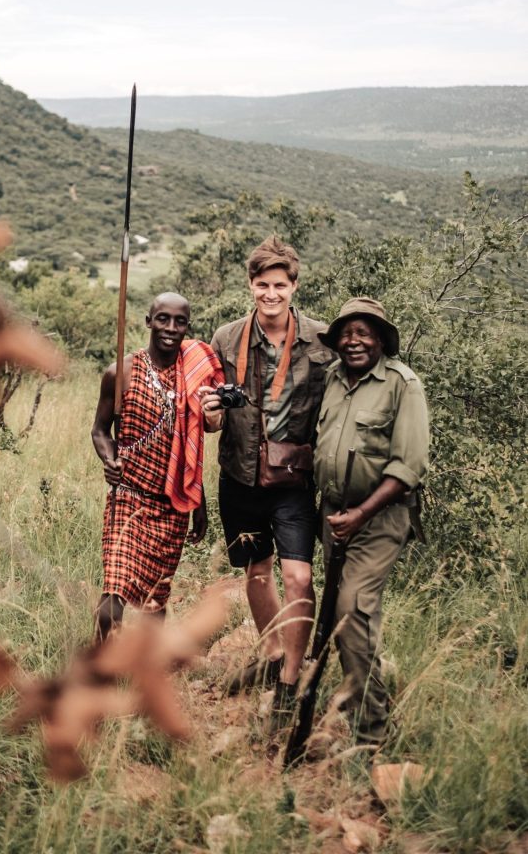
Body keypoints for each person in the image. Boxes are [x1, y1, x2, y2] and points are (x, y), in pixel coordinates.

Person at [199, 236, 333, 728]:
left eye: (279, 285)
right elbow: (209, 416)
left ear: (294, 286)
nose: (270, 294)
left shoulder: (322, 340)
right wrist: (210, 414)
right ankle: (273, 654)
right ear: (250, 285)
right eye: (262, 285)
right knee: (256, 573)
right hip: (239, 475)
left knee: (299, 577)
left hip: (294, 481)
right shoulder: (226, 338)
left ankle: (289, 683)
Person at [313, 296, 429, 751]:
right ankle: (361, 701)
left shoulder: (403, 384)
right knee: (341, 616)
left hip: (377, 517)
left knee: (352, 609)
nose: (353, 340)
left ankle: (372, 737)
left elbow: (408, 467)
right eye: (346, 332)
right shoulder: (333, 379)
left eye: (364, 332)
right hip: (333, 515)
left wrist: (360, 515)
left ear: (381, 339)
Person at [91, 292, 223, 639]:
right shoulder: (120, 373)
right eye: (163, 319)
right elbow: (100, 431)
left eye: (180, 321)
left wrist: (200, 504)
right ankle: (99, 671)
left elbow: (190, 448)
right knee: (113, 595)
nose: (171, 328)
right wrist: (110, 459)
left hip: (172, 506)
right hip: (129, 497)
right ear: (149, 321)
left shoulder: (193, 379)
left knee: (155, 601)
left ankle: (144, 675)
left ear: (188, 327)